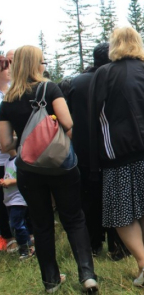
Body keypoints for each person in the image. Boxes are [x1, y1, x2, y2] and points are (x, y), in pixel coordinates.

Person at [0, 45, 98, 293]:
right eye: (42, 62)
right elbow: (67, 122)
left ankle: (51, 282)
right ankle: (87, 275)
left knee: (42, 224)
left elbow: (4, 144)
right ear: (36, 64)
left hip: (29, 171)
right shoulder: (49, 88)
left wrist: (26, 145)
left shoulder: (8, 100)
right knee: (74, 219)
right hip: (60, 165)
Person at [88, 27, 144, 287]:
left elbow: (94, 118)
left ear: (113, 45)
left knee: (121, 214)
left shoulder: (104, 74)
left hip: (120, 153)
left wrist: (95, 162)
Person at [67, 42, 128, 260]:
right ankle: (118, 246)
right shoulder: (115, 79)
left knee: (89, 199)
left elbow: (69, 117)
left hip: (84, 150)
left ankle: (93, 244)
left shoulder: (77, 82)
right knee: (116, 198)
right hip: (112, 149)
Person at [0, 155, 34, 260]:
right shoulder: (6, 162)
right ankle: (26, 246)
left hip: (18, 200)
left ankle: (27, 248)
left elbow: (25, 178)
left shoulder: (18, 160)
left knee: (17, 224)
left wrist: (10, 182)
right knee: (16, 225)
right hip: (9, 200)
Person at [0, 55, 15, 253]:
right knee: (2, 195)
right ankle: (8, 235)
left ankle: (25, 232)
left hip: (16, 149)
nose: (9, 69)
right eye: (5, 67)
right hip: (2, 153)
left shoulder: (13, 92)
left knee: (19, 192)